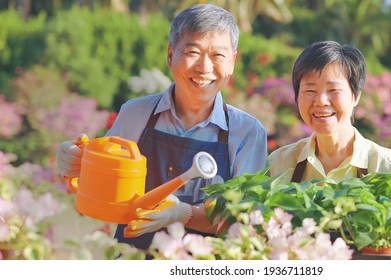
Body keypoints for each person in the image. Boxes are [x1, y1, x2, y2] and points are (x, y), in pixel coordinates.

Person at [56, 4, 267, 251]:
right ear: (170, 55)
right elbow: (100, 188)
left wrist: (181, 213)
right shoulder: (136, 114)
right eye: (193, 52)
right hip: (132, 259)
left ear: (232, 62)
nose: (205, 67)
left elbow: (243, 218)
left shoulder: (247, 132)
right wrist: (74, 166)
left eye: (218, 56)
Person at [267, 40, 391, 260]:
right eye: (310, 90)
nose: (321, 101)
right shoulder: (279, 163)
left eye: (333, 90)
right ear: (297, 97)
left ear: (356, 95)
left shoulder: (388, 166)